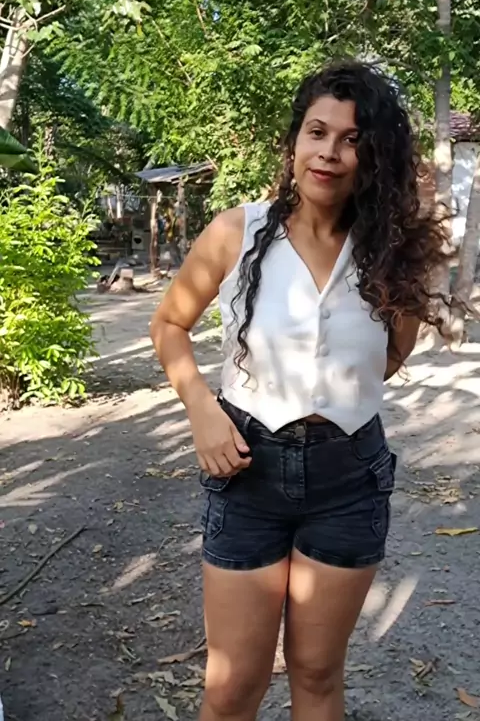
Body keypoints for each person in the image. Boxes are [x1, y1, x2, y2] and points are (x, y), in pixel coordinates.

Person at [150, 61, 449, 721]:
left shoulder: (392, 252)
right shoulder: (236, 231)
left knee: (316, 673)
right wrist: (202, 409)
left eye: (352, 140)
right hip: (247, 472)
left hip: (349, 477)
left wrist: (332, 383)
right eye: (318, 132)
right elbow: (168, 324)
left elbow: (389, 356)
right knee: (232, 687)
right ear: (294, 142)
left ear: (373, 157)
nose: (330, 153)